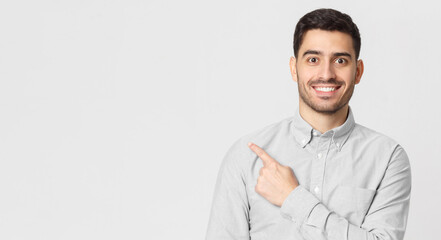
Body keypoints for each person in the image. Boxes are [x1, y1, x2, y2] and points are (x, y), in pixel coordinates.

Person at [205, 8, 411, 240]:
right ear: (294, 68)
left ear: (358, 71)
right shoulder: (245, 157)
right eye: (313, 59)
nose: (326, 73)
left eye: (340, 60)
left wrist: (293, 198)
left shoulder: (388, 158)